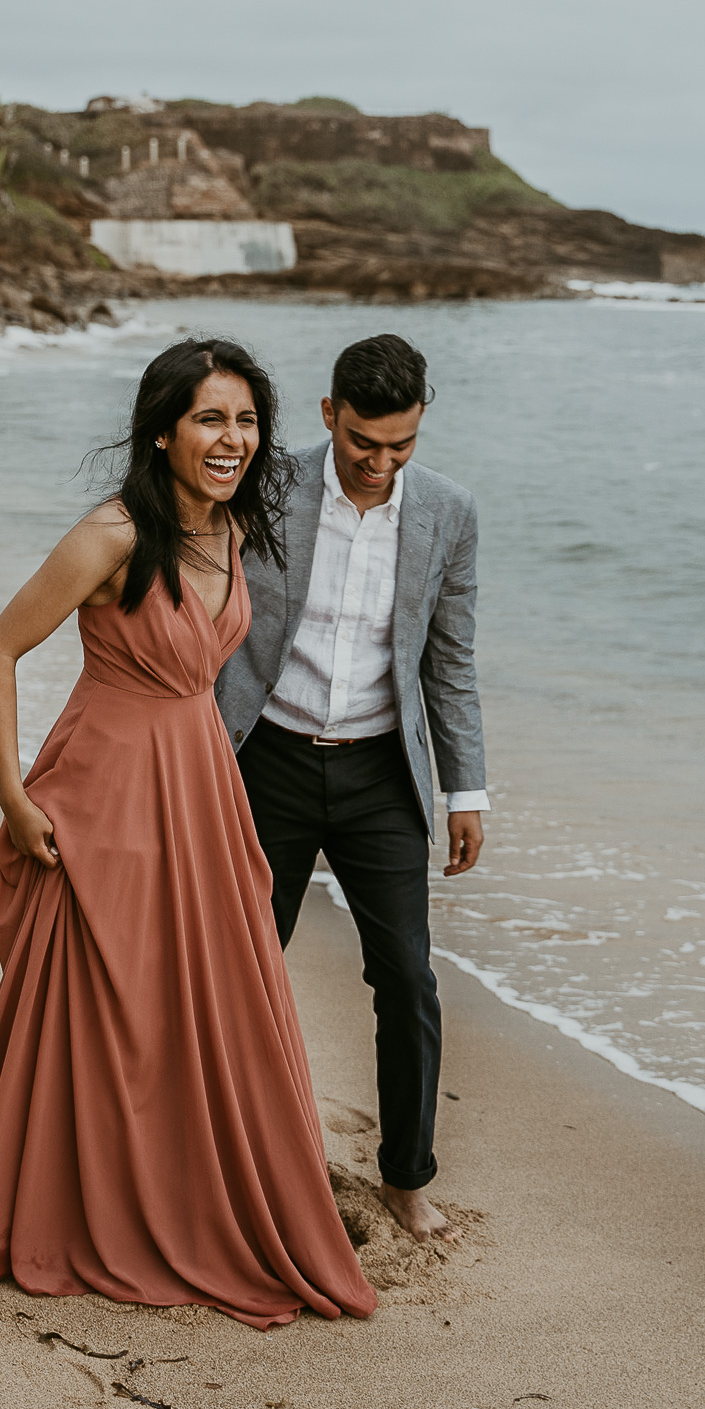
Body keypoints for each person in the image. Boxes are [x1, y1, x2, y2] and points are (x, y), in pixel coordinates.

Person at [0, 338, 376, 1330]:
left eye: (247, 420)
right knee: (106, 1001)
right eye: (210, 419)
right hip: (108, 790)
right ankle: (75, 1207)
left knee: (202, 1000)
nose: (232, 439)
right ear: (164, 428)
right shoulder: (114, 533)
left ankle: (179, 1190)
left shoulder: (229, 529)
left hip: (199, 786)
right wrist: (10, 791)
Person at [216, 333, 487, 1244]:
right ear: (330, 415)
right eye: (363, 442)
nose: (379, 464)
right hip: (266, 759)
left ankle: (407, 1178)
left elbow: (449, 660)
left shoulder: (448, 513)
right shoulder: (268, 486)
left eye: (400, 446)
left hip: (381, 775)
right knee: (242, 969)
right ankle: (222, 1159)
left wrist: (467, 791)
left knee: (407, 977)